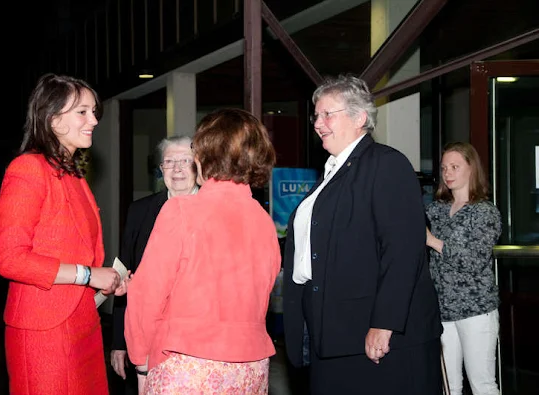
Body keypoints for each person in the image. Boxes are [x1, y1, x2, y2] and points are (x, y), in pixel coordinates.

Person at [282, 74, 444, 395]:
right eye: (316, 115)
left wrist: (384, 324)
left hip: (374, 336)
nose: (318, 123)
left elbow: (403, 251)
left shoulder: (386, 164)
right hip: (333, 333)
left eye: (328, 114)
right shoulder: (331, 172)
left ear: (360, 118)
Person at [124, 108, 281, 393]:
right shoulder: (263, 220)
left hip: (188, 365)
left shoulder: (181, 210)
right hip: (251, 367)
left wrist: (140, 361)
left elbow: (147, 294)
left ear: (203, 156)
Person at [0, 73, 129, 395]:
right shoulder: (27, 169)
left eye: (94, 111)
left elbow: (79, 252)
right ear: (53, 119)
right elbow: (10, 259)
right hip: (44, 331)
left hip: (83, 324)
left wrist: (108, 279)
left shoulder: (74, 176)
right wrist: (88, 275)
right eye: (82, 111)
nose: (93, 120)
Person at [110, 135, 199, 394]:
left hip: (197, 337)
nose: (178, 169)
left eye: (185, 161)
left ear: (198, 165)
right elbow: (123, 272)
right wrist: (119, 341)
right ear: (161, 170)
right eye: (170, 162)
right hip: (146, 335)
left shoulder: (212, 210)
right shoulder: (140, 211)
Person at [426, 142, 502, 395]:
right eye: (445, 167)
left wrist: (432, 241)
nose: (448, 172)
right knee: (449, 387)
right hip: (443, 311)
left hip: (475, 310)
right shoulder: (436, 210)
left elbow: (473, 260)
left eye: (455, 166)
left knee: (482, 384)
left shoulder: (484, 212)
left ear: (472, 169)